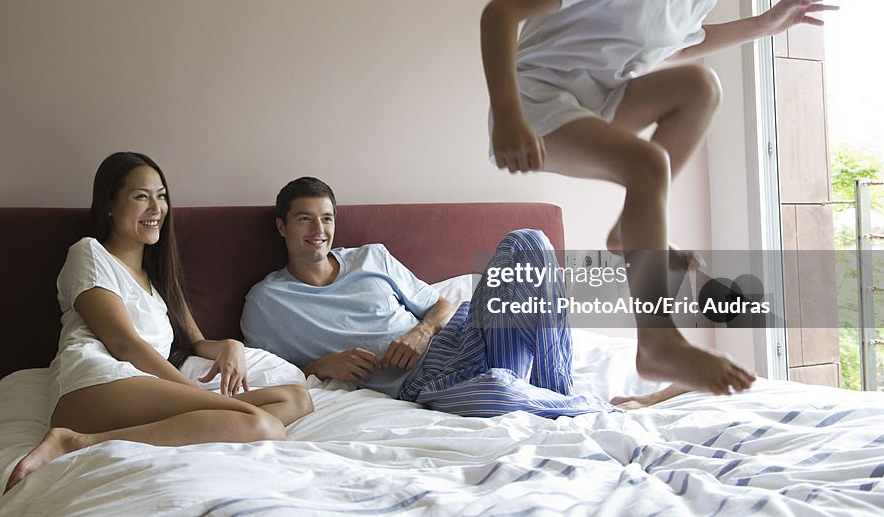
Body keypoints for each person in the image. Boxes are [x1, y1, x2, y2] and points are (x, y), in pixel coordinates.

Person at [480, 0, 838, 395]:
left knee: (699, 85)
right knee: (646, 164)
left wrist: (766, 24)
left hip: (597, 97)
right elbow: (501, 12)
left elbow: (681, 45)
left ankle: (629, 230)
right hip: (537, 100)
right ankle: (657, 340)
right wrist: (506, 115)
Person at [241, 177, 683, 419]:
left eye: (327, 218)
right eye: (304, 219)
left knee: (528, 241)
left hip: (465, 333)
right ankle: (604, 409)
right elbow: (269, 373)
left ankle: (557, 390)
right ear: (282, 226)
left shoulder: (370, 258)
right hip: (424, 384)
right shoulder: (266, 302)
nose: (319, 230)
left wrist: (421, 330)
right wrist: (320, 366)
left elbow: (441, 303)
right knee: (498, 389)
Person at [6, 153, 313, 492]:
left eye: (161, 196)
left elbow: (197, 342)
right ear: (109, 204)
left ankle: (116, 437)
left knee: (299, 399)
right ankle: (77, 441)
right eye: (141, 196)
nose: (156, 208)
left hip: (142, 389)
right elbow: (124, 343)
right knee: (265, 426)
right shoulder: (90, 254)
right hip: (98, 382)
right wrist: (193, 393)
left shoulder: (159, 280)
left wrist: (231, 345)